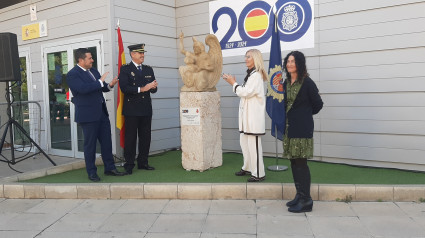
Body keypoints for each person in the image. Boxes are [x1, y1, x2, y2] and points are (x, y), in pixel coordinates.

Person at [66, 48, 126, 182]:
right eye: (89, 58)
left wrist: (109, 85)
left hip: (102, 114)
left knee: (106, 143)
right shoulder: (72, 74)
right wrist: (99, 82)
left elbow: (101, 87)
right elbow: (82, 89)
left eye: (92, 57)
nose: (92, 60)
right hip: (87, 116)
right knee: (90, 145)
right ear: (81, 60)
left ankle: (110, 168)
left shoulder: (93, 71)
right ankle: (91, 172)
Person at [282, 51, 323, 213]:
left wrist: (304, 115)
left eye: (293, 61)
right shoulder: (286, 82)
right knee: (293, 162)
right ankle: (300, 194)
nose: (290, 64)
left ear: (300, 63)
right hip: (290, 128)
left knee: (301, 164)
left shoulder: (307, 82)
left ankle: (307, 200)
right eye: (288, 61)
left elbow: (318, 104)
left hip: (302, 129)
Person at [223, 49, 267, 182]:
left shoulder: (256, 76)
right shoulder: (251, 75)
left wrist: (233, 83)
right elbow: (245, 91)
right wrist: (235, 84)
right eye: (245, 56)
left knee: (254, 145)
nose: (245, 59)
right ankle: (248, 167)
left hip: (253, 119)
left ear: (255, 59)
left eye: (249, 56)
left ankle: (259, 173)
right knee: (245, 143)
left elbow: (246, 92)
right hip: (246, 118)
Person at [118, 43, 158, 174]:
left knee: (145, 137)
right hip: (132, 110)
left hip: (146, 109)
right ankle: (129, 165)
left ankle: (143, 162)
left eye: (143, 53)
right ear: (132, 54)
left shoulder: (148, 69)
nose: (143, 55)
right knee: (130, 138)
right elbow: (124, 88)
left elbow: (154, 90)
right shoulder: (125, 69)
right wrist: (142, 89)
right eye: (140, 53)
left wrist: (153, 87)